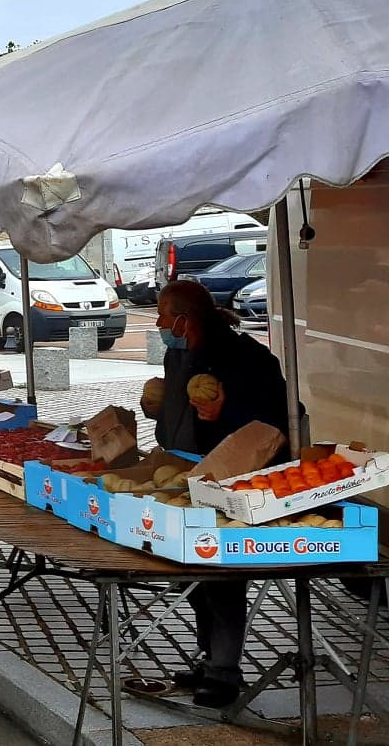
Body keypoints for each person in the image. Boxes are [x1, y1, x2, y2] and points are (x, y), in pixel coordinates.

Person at [145, 279, 293, 708]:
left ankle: (224, 671)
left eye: (162, 314)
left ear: (183, 318)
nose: (157, 323)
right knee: (197, 576)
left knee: (222, 575)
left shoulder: (244, 357)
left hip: (233, 480)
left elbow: (277, 415)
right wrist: (155, 406)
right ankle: (209, 659)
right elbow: (178, 409)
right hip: (188, 470)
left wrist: (226, 409)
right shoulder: (180, 354)